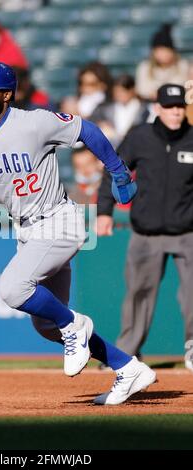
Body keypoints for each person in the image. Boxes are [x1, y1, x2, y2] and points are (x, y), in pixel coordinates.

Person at [0, 61, 157, 405]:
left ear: (6, 95)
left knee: (13, 288)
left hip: (58, 220)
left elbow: (86, 130)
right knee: (47, 325)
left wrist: (119, 171)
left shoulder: (34, 121)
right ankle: (127, 368)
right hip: (27, 230)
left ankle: (75, 324)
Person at [97, 84, 193, 372]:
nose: (176, 112)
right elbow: (114, 170)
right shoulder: (140, 137)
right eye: (170, 106)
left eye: (179, 106)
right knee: (138, 294)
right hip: (146, 232)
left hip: (187, 231)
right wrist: (104, 211)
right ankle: (127, 353)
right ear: (158, 108)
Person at [91, 74, 149, 148]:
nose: (118, 95)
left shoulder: (144, 110)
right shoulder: (105, 109)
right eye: (116, 92)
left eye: (122, 91)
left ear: (132, 91)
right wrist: (101, 125)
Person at [136, 24, 189, 102]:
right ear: (154, 52)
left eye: (167, 50)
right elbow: (142, 90)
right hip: (151, 103)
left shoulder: (182, 65)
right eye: (160, 50)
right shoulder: (145, 67)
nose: (164, 54)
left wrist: (161, 92)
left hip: (176, 103)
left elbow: (183, 86)